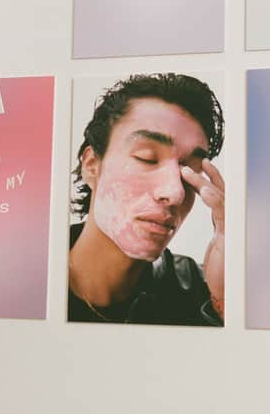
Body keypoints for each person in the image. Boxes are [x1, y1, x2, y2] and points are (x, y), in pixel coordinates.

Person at [68, 73, 225, 325]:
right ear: (91, 165)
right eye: (147, 158)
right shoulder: (22, 278)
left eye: (190, 171)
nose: (176, 193)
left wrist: (225, 297)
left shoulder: (204, 291)